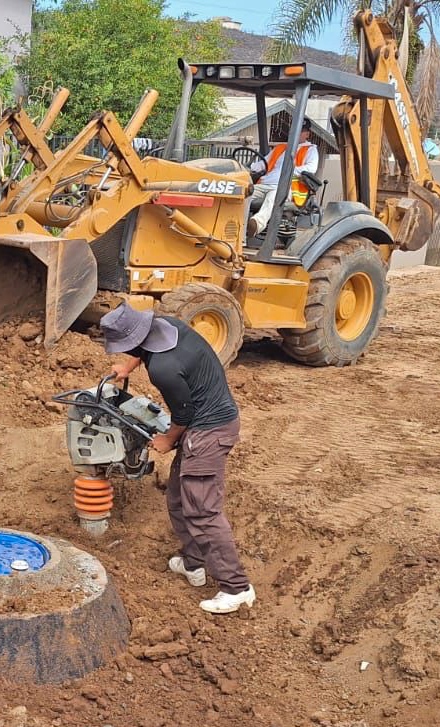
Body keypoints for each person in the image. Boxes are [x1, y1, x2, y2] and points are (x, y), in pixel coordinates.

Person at [99, 303, 255, 613]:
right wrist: (128, 367)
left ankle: (237, 588)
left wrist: (167, 439)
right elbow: (142, 347)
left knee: (202, 509)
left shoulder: (164, 369)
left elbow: (183, 413)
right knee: (177, 497)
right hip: (204, 424)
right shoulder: (165, 325)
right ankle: (192, 563)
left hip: (210, 430)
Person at [247, 119, 320, 236]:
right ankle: (235, 225)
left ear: (307, 134)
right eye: (294, 131)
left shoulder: (310, 150)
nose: (296, 134)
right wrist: (246, 168)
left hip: (286, 186)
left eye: (300, 131)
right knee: (243, 194)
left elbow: (311, 168)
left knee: (273, 198)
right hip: (265, 183)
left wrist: (290, 170)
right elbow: (262, 164)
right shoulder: (281, 148)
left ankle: (256, 224)